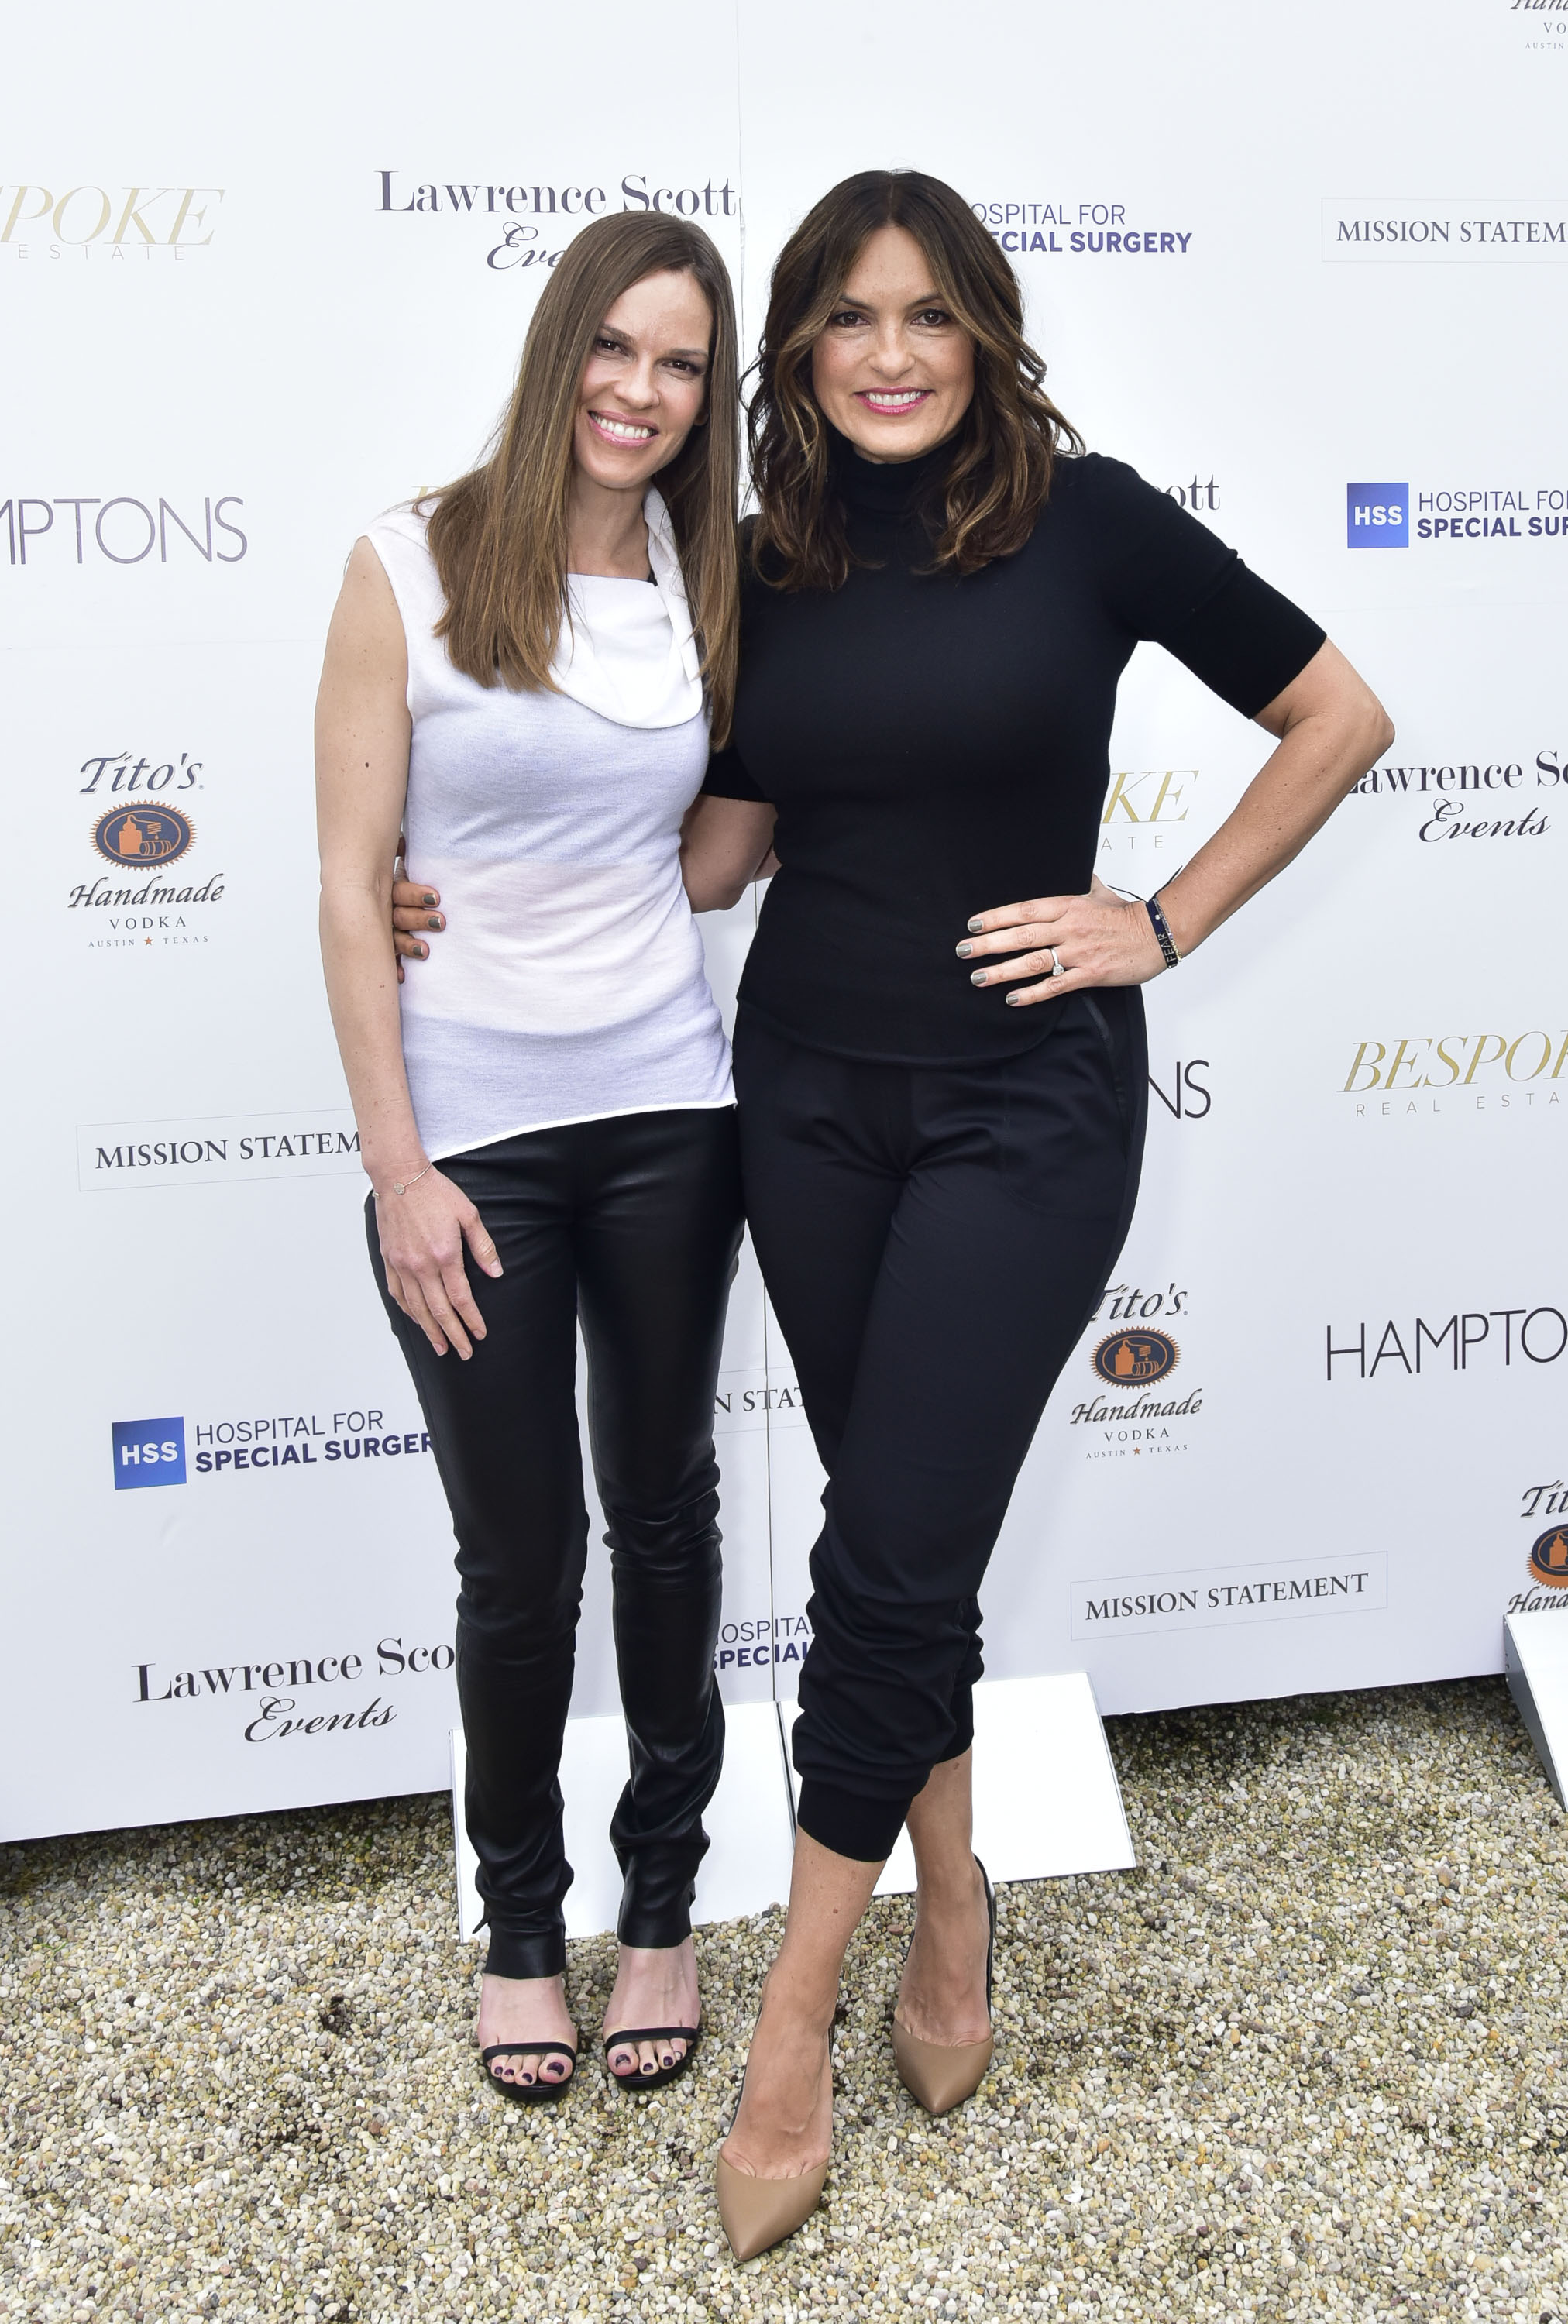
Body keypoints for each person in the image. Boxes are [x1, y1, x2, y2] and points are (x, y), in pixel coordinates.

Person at [390, 168, 1390, 2246]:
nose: (889, 353)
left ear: (984, 334)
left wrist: (1160, 919)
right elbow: (704, 851)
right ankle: (949, 1895)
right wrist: (446, 886)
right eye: (846, 317)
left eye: (928, 314)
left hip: (1026, 1109)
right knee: (898, 1559)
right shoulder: (764, 565)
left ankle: (790, 2026)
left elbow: (1337, 714)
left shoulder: (1089, 522)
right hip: (807, 1110)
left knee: (889, 1551)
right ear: (795, 355)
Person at [315, 210, 761, 2102]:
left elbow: (719, 848)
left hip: (668, 1115)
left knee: (664, 1519)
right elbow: (350, 888)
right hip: (471, 1150)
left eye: (681, 365)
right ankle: (518, 1926)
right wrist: (400, 1173)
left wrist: (651, 886)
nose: (639, 392)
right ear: (560, 343)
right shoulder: (406, 567)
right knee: (519, 1562)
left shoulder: (711, 580)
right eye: (616, 346)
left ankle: (660, 1907)